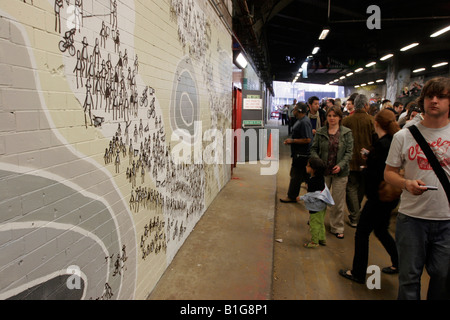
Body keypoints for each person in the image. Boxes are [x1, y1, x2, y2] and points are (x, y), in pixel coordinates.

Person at [384, 76, 450, 300]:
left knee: (442, 277)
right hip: (412, 219)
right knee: (409, 279)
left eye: (441, 96)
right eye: (429, 96)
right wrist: (406, 184)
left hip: (447, 221)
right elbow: (389, 173)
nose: (434, 101)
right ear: (422, 101)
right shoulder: (403, 136)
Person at [339, 109, 401, 284]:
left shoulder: (382, 145)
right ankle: (398, 262)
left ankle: (357, 272)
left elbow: (378, 173)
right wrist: (371, 157)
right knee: (381, 230)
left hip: (378, 197)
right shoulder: (393, 141)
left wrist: (366, 168)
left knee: (362, 233)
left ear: (376, 123)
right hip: (391, 196)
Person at [310, 106, 354, 239]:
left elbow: (349, 152)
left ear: (340, 117)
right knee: (319, 199)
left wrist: (340, 165)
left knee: (337, 202)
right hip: (323, 172)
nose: (332, 118)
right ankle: (316, 222)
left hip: (340, 172)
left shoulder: (347, 133)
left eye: (335, 116)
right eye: (329, 116)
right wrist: (318, 162)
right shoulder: (320, 132)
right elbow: (313, 149)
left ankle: (337, 227)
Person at [342, 94, 377, 227]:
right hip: (366, 161)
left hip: (350, 160)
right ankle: (357, 213)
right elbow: (376, 141)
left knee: (350, 187)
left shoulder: (347, 121)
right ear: (366, 105)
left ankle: (355, 216)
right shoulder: (372, 121)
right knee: (361, 187)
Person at [297, 157, 334, 248]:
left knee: (314, 224)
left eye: (308, 165)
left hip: (315, 208)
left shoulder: (312, 181)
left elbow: (312, 196)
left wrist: (301, 198)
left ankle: (314, 242)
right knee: (320, 222)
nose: (306, 166)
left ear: (313, 169)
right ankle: (322, 239)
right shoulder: (321, 178)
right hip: (322, 206)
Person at [280, 103, 313, 203]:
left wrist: (292, 141)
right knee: (304, 175)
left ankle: (292, 196)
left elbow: (307, 139)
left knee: (295, 175)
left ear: (299, 111)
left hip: (301, 154)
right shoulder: (301, 121)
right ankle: (313, 194)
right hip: (299, 153)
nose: (293, 111)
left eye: (294, 109)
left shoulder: (304, 122)